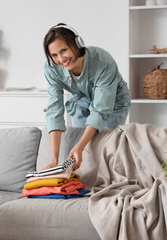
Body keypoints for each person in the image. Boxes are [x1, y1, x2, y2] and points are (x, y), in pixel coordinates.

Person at [42, 23, 131, 171]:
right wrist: (54, 160)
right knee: (80, 145)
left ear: (77, 44)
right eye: (54, 55)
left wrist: (80, 146)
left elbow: (101, 110)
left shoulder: (103, 61)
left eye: (64, 50)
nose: (61, 59)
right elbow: (54, 111)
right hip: (80, 98)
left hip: (113, 101)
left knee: (103, 145)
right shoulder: (51, 69)